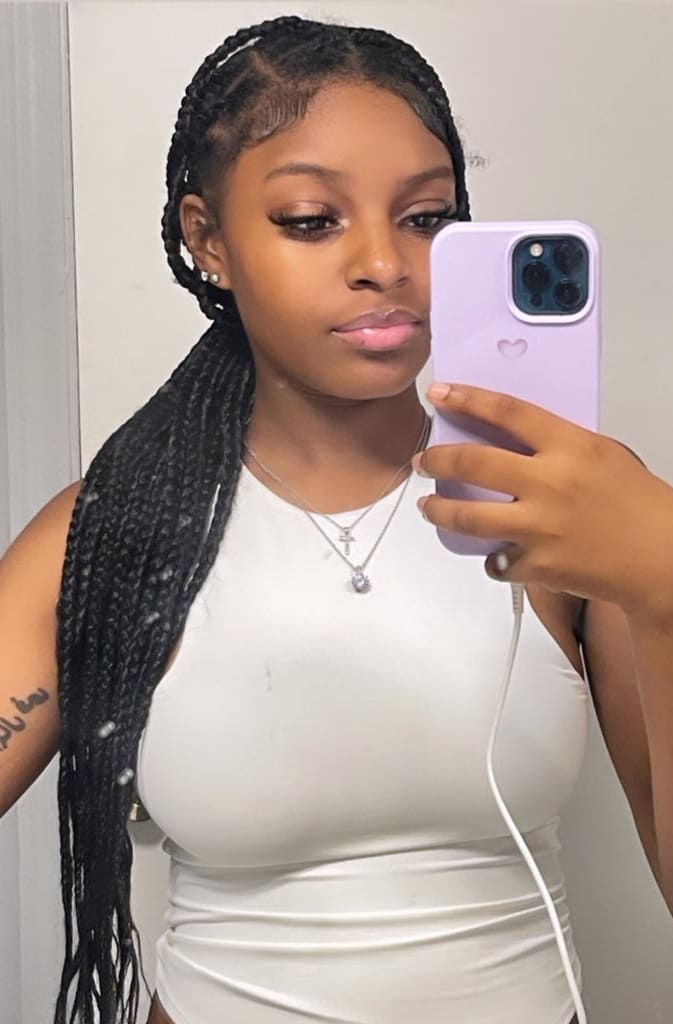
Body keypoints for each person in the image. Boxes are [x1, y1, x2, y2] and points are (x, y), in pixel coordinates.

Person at [1, 13, 672, 1024]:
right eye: (312, 219)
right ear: (207, 239)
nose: (384, 262)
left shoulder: (570, 502)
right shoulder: (108, 532)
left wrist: (665, 588)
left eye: (426, 217)